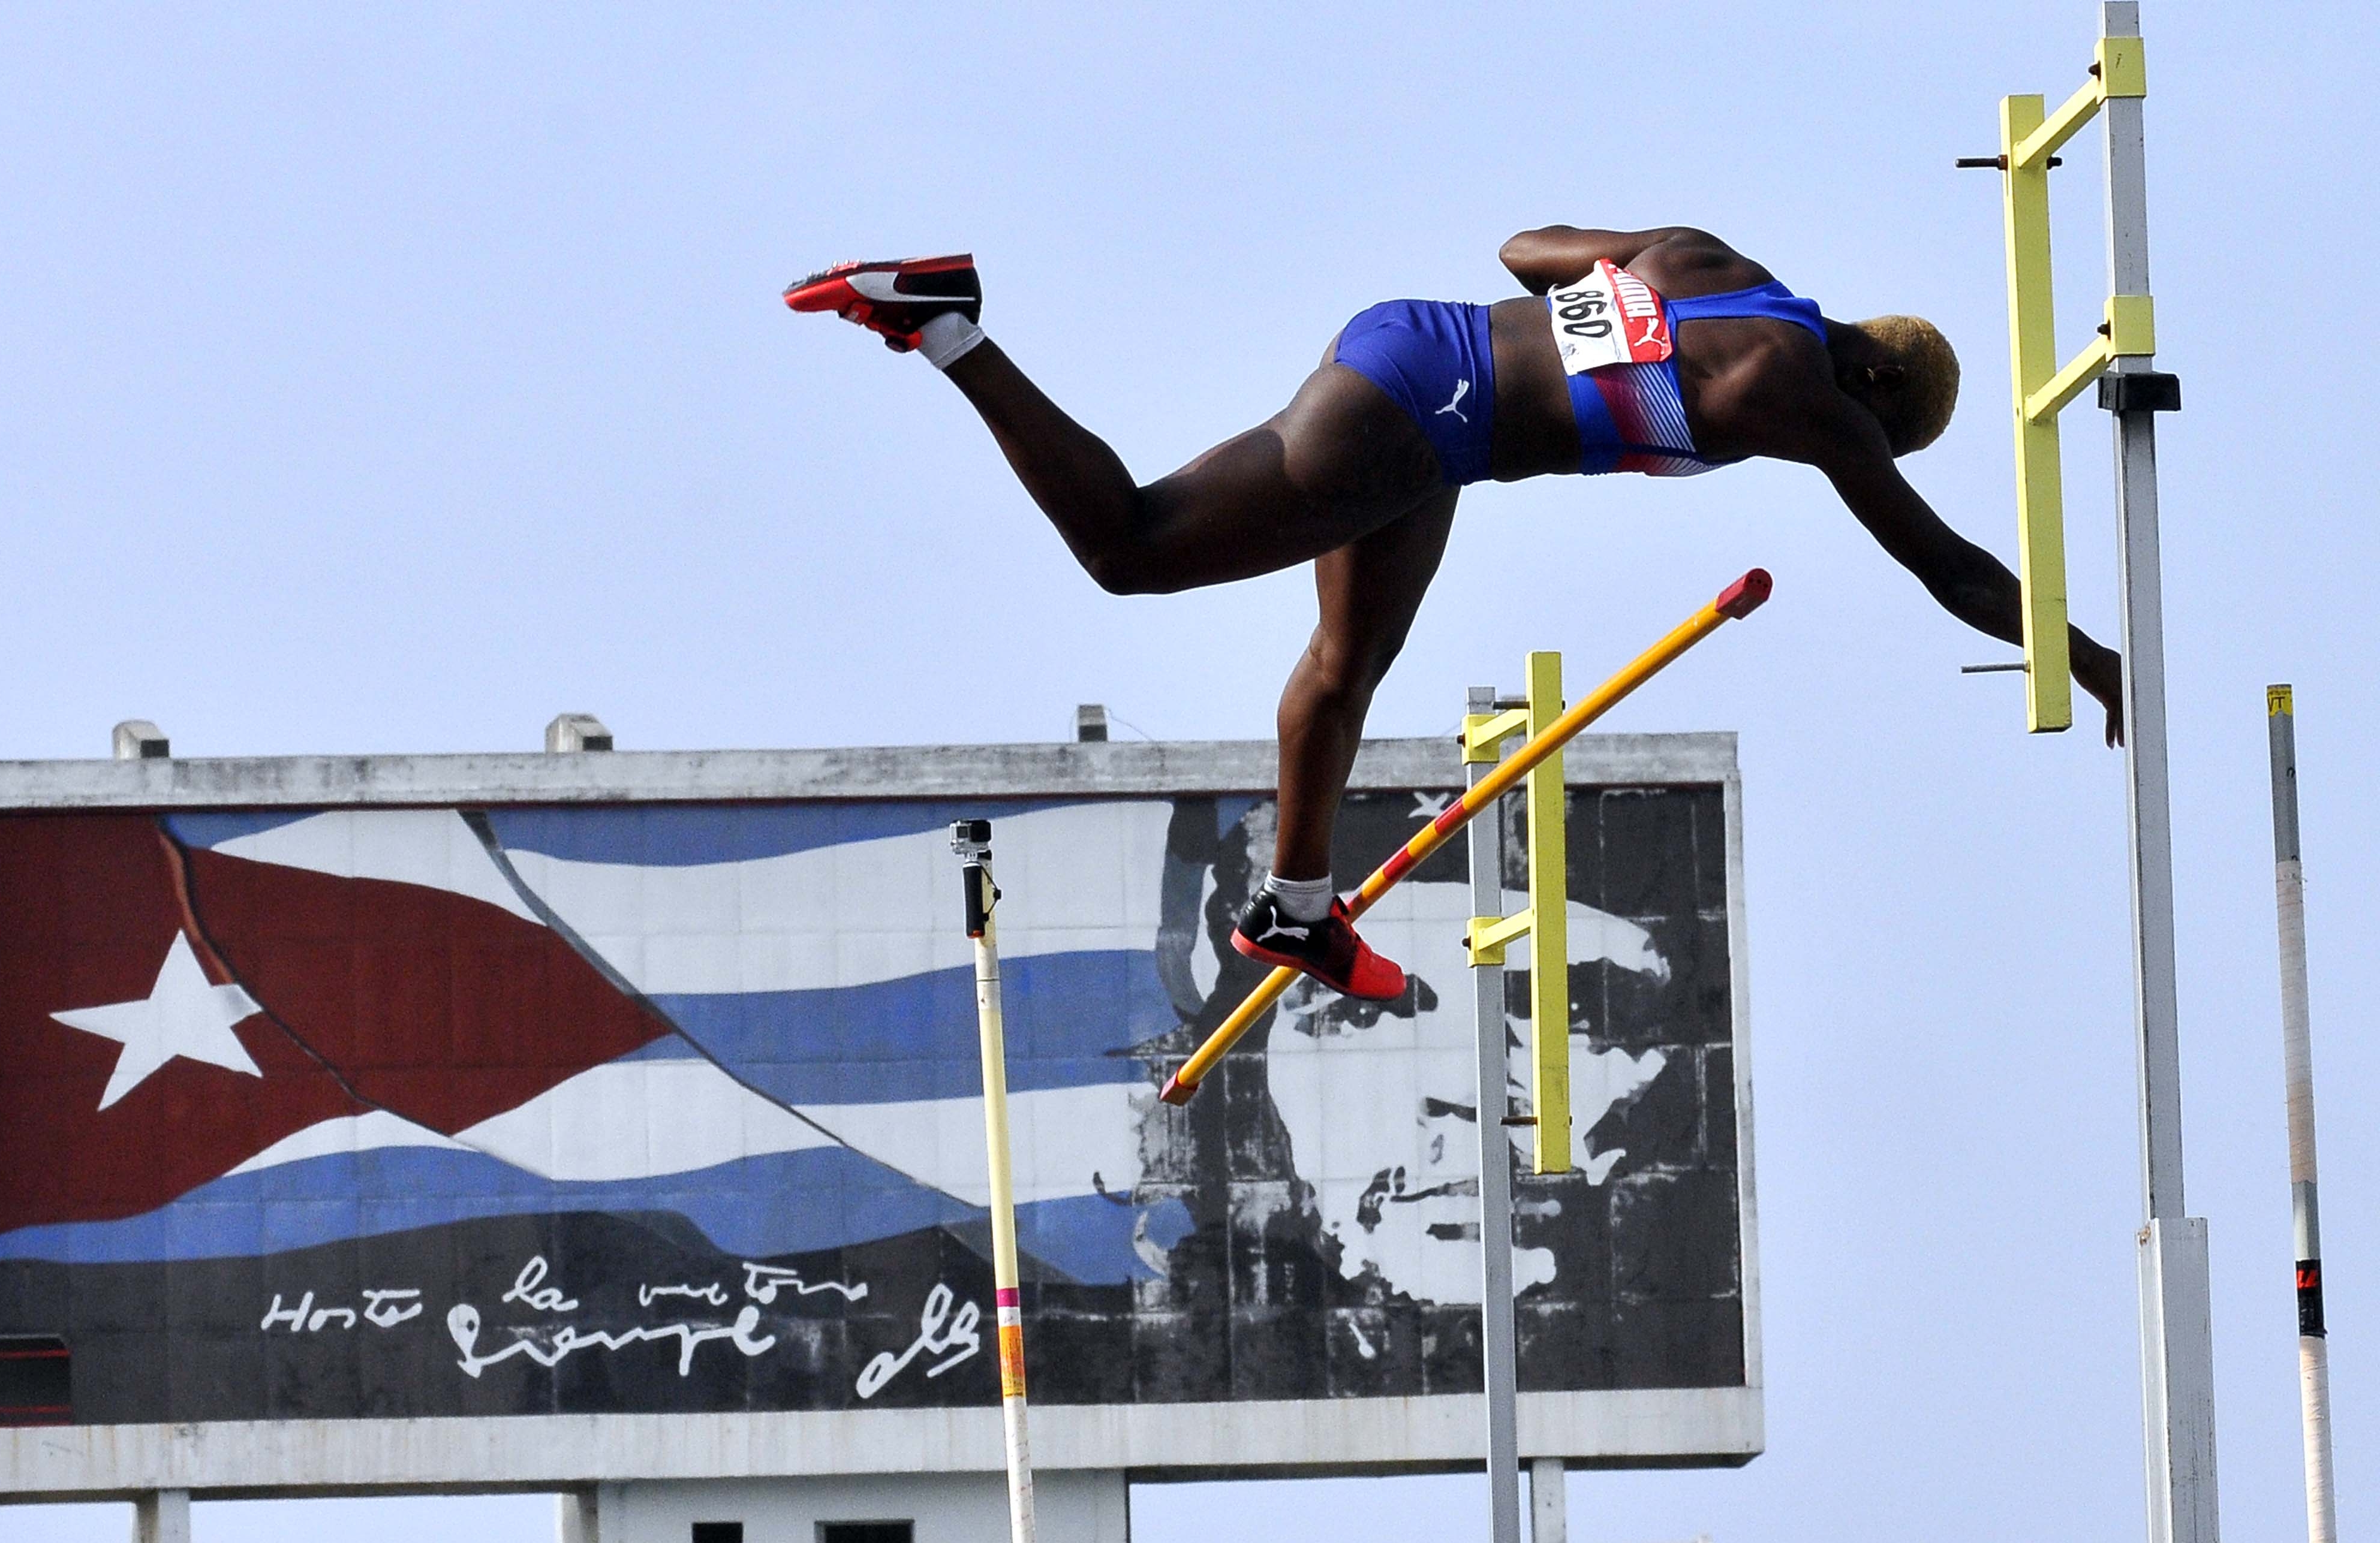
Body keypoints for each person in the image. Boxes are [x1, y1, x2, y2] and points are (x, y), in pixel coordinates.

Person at [784, 228, 2128, 1000]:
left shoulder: (1721, 267)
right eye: (1884, 440)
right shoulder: (1810, 399)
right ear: (1879, 400)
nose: (1864, 453)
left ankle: (1294, 908)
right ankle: (949, 326)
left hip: (1437, 391)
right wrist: (2089, 654)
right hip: (1426, 407)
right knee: (1135, 549)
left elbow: (1522, 247)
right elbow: (1940, 565)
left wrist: (1621, 307)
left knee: (1342, 664)